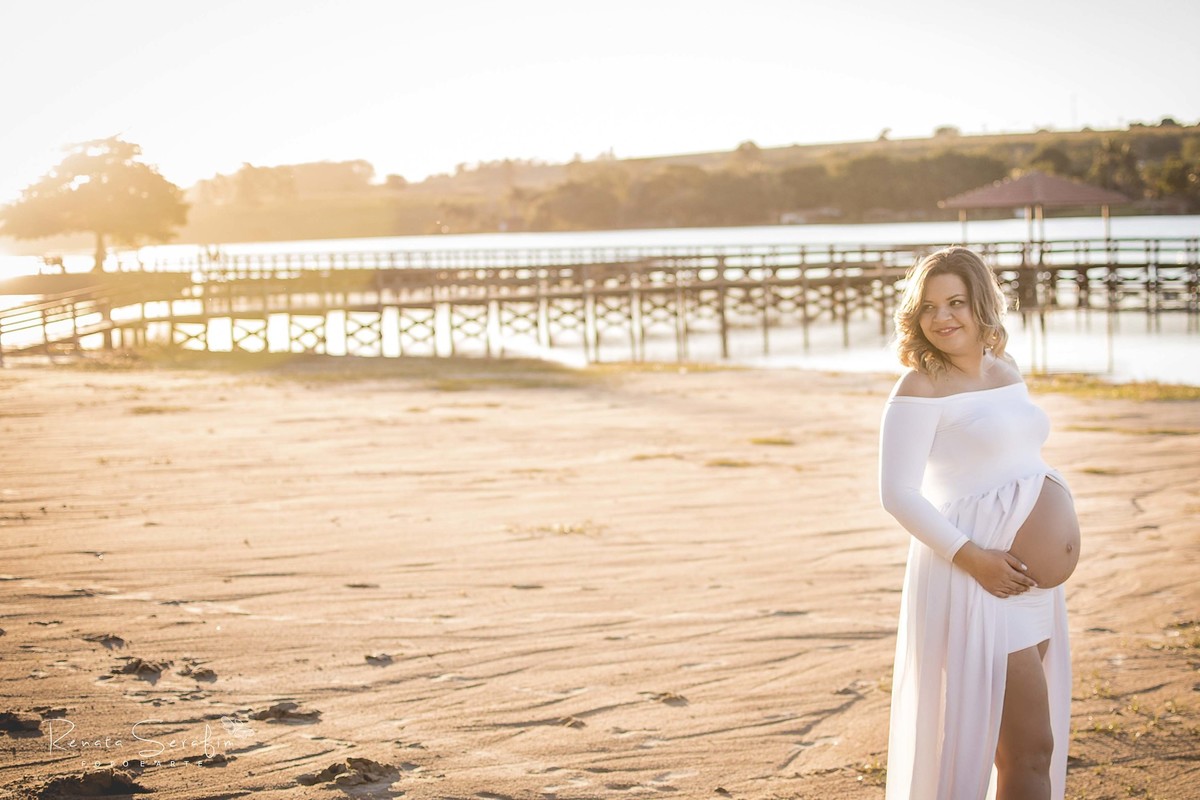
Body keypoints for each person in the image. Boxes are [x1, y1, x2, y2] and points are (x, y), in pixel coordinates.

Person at [878, 246, 1081, 800]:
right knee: (1029, 749)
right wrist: (974, 558)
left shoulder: (1005, 370)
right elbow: (897, 493)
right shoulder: (919, 387)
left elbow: (1015, 458)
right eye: (929, 307)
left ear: (982, 305)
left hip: (1029, 587)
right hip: (980, 580)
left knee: (1022, 749)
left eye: (956, 303)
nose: (942, 318)